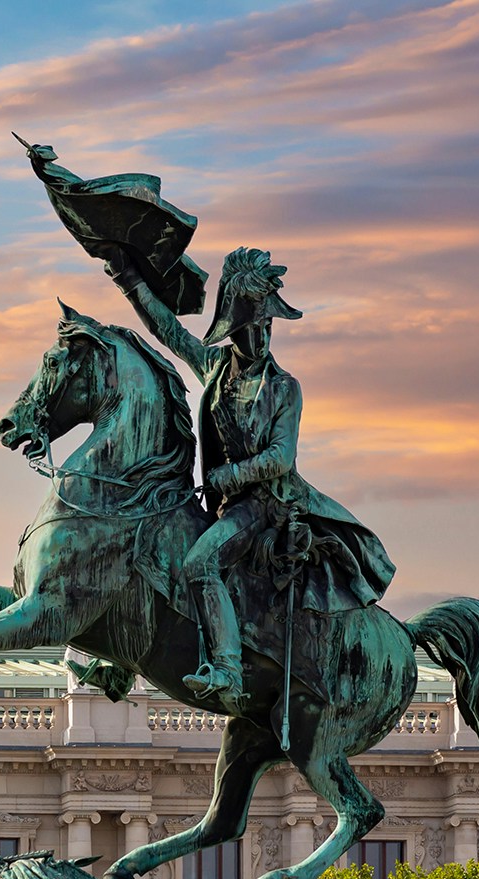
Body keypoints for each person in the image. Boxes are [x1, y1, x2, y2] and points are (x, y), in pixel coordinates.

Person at [105, 246, 394, 713]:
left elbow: (281, 456)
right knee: (144, 543)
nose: (261, 336)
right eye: (252, 326)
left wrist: (227, 476)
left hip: (267, 506)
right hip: (222, 504)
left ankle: (227, 668)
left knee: (200, 562)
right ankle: (120, 656)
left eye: (267, 326)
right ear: (233, 326)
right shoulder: (216, 368)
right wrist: (126, 277)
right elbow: (169, 331)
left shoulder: (284, 387)